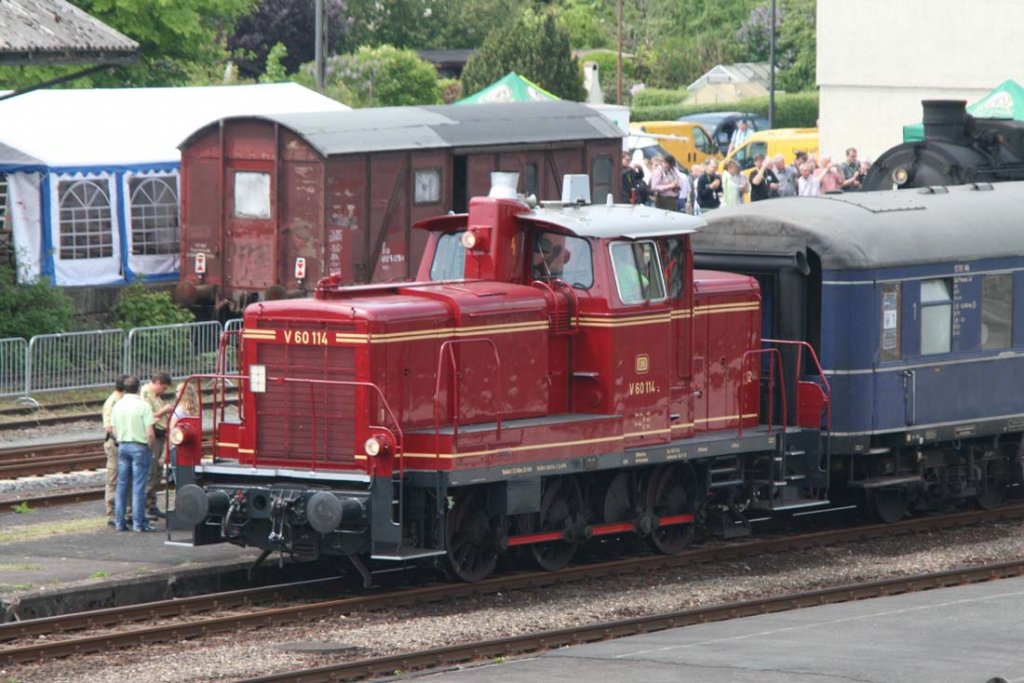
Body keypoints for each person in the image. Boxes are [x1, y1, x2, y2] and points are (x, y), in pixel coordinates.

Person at [111, 375, 157, 532]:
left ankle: (119, 522)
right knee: (138, 486)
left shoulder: (117, 405)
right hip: (140, 446)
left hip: (123, 446)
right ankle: (139, 523)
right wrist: (149, 448)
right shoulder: (143, 406)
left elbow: (114, 429)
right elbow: (150, 433)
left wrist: (121, 440)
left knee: (122, 485)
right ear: (138, 388)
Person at [141, 372, 174, 519]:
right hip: (154, 435)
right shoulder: (146, 395)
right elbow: (149, 418)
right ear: (158, 383)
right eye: (164, 388)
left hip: (160, 435)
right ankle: (145, 507)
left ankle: (151, 504)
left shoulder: (155, 396)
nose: (164, 391)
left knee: (157, 472)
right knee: (151, 471)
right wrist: (164, 411)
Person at [102, 375, 127, 527]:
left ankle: (123, 511)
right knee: (113, 478)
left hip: (120, 442)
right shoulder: (112, 403)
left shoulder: (121, 401)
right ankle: (111, 513)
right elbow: (109, 427)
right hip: (115, 443)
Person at [168, 381, 200, 478]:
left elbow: (173, 430)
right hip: (194, 447)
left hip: (179, 448)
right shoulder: (198, 409)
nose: (176, 393)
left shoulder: (178, 410)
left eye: (177, 391)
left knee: (178, 474)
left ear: (182, 393)